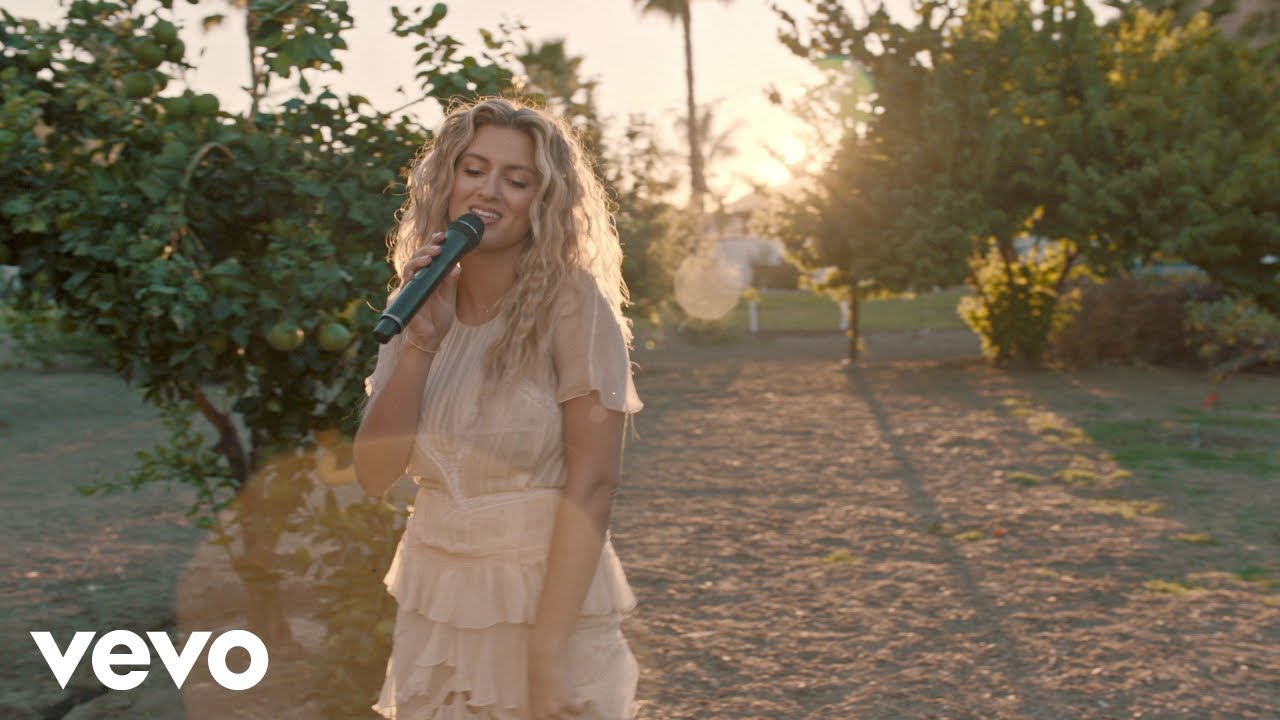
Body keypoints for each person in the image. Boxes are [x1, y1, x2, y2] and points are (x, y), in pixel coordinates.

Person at [353, 97, 642, 720]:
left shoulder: (572, 302)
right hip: (437, 601)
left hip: (544, 600)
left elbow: (594, 483)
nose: (490, 191)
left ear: (543, 201)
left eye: (517, 180)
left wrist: (546, 651)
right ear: (447, 180)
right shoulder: (417, 300)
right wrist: (421, 344)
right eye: (474, 169)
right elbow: (375, 474)